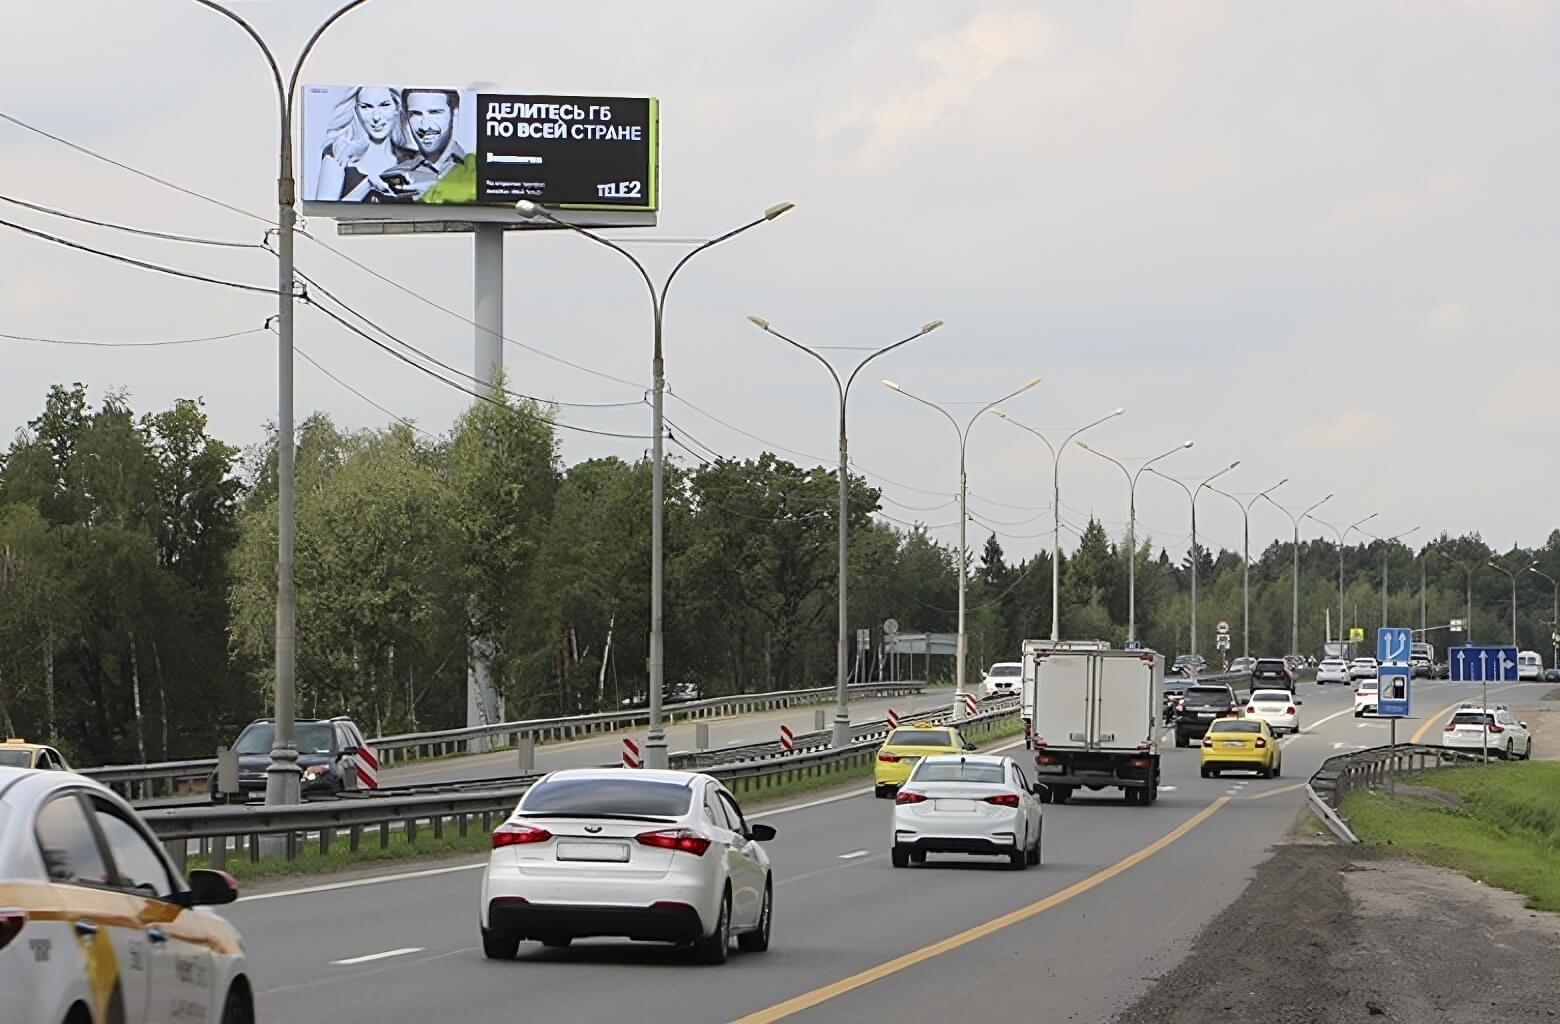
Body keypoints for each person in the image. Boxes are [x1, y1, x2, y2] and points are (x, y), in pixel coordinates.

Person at [312, 86, 412, 202]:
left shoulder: (413, 160)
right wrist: (368, 184)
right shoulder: (339, 154)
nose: (376, 117)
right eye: (366, 107)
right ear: (356, 110)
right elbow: (323, 214)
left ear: (397, 108)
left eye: (384, 105)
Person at [380, 88, 467, 201]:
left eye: (435, 113)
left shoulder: (481, 172)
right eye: (415, 114)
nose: (425, 126)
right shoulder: (392, 177)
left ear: (455, 113)